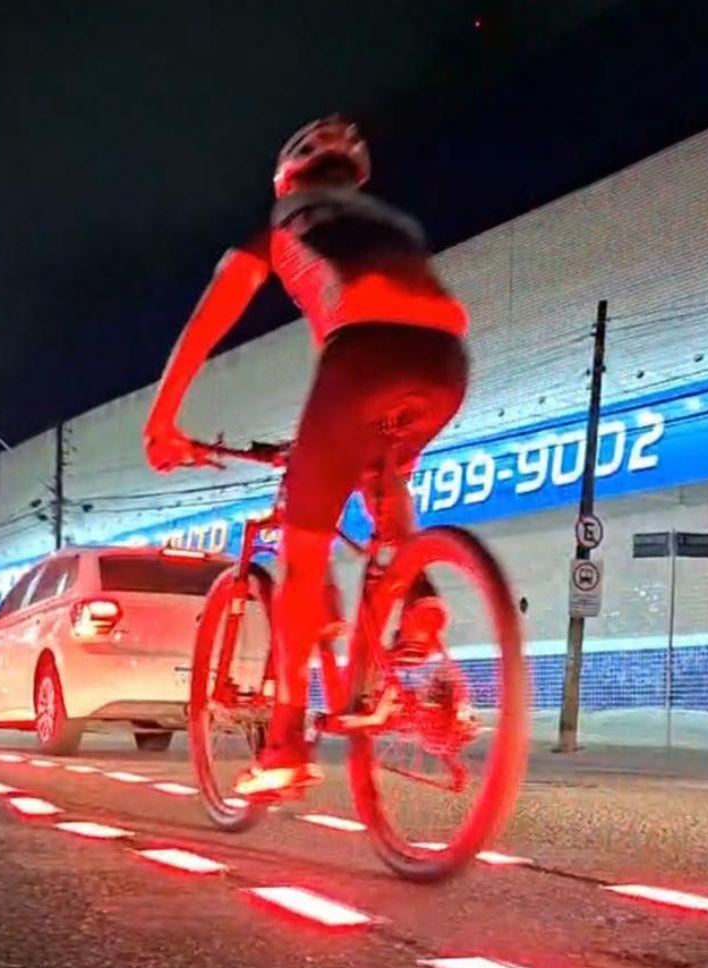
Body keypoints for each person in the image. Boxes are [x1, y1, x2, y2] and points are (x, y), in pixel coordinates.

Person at [141, 115, 470, 798]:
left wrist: (162, 421)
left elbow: (206, 323)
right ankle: (416, 600)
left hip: (361, 361)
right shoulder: (390, 224)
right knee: (383, 483)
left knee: (303, 552)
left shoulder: (281, 224)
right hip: (444, 363)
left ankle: (286, 746)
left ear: (288, 178)